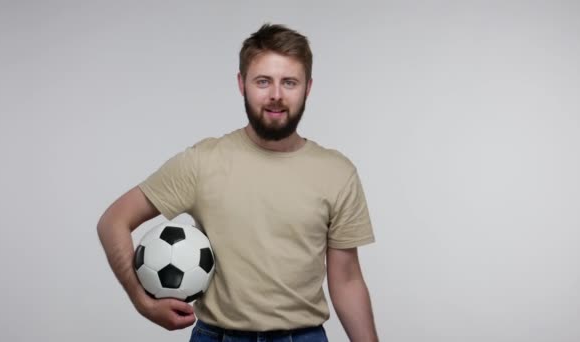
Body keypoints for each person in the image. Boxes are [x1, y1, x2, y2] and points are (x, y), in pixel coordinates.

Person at [97, 23, 378, 342]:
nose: (276, 95)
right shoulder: (202, 161)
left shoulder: (337, 173)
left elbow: (347, 279)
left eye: (289, 82)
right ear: (242, 84)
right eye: (263, 81)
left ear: (308, 88)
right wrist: (142, 301)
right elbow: (113, 221)